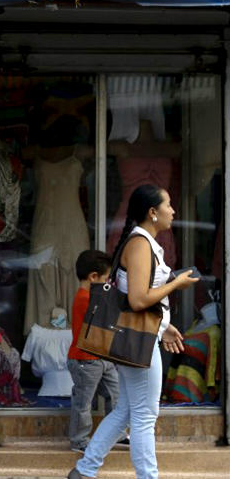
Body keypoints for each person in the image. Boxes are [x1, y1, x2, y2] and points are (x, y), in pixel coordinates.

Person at [68, 184, 199, 479]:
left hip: (139, 337)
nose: (173, 210)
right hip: (138, 343)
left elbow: (136, 298)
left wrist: (164, 326)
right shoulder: (140, 244)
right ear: (153, 213)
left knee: (128, 410)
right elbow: (139, 299)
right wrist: (176, 284)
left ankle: (85, 470)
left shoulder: (143, 242)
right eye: (168, 205)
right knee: (144, 415)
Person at [67, 250, 125, 453]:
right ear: (93, 277)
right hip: (85, 360)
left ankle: (116, 434)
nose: (109, 283)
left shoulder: (91, 296)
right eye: (106, 279)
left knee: (116, 394)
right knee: (83, 402)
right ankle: (79, 440)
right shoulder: (85, 298)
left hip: (101, 358)